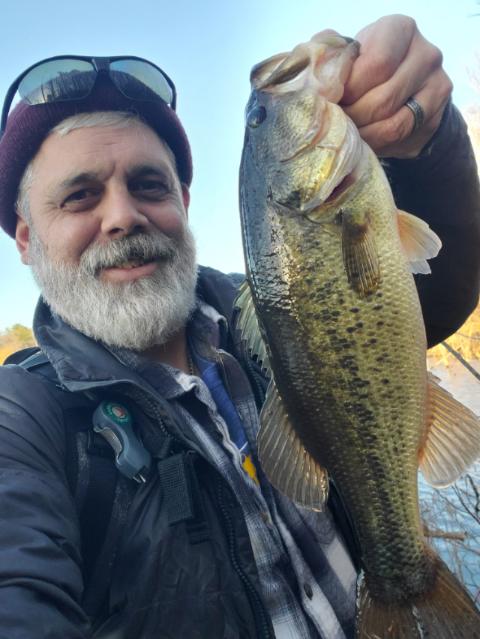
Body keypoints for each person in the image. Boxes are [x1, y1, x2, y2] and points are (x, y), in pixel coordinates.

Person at [0, 14, 478, 639]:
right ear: (27, 239)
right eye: (79, 196)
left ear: (183, 204)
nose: (122, 216)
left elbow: (438, 295)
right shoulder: (23, 422)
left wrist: (431, 147)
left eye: (149, 184)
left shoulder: (266, 315)